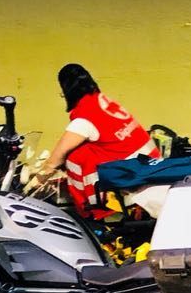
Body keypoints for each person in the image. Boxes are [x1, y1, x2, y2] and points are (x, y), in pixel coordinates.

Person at [28, 63, 159, 217]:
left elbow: (55, 160)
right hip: (149, 162)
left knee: (75, 156)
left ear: (67, 91)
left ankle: (91, 210)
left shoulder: (84, 118)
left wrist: (34, 182)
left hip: (134, 175)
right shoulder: (101, 101)